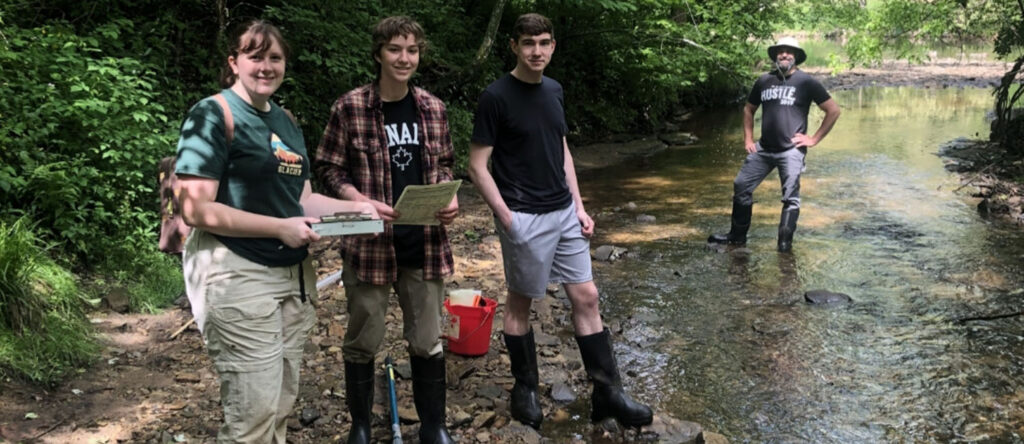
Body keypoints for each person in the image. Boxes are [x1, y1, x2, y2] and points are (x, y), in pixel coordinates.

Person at [175, 20, 379, 443]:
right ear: (234, 62)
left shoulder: (285, 121)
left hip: (292, 278)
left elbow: (301, 201)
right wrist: (279, 229)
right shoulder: (214, 114)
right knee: (253, 413)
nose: (265, 66)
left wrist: (358, 206)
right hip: (236, 274)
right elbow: (194, 209)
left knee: (280, 404)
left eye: (275, 58)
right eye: (255, 56)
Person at [467, 13, 653, 431]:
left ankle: (608, 395)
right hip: (523, 216)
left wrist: (580, 206)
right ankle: (525, 388)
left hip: (564, 212)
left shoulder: (554, 89)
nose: (537, 51)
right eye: (529, 43)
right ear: (514, 45)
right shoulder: (495, 97)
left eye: (545, 43)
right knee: (521, 302)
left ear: (553, 46)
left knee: (586, 297)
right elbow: (478, 166)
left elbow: (562, 149)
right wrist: (507, 218)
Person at [314, 16, 458, 444]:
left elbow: (447, 162)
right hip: (369, 245)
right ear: (378, 53)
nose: (404, 58)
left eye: (412, 50)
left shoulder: (433, 108)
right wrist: (356, 198)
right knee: (362, 341)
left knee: (429, 342)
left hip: (425, 244)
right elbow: (327, 166)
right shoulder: (351, 106)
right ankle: (360, 426)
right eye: (395, 49)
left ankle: (434, 426)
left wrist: (449, 197)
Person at [708, 37, 841, 252]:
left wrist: (814, 139)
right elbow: (748, 109)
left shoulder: (806, 82)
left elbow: (833, 110)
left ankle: (784, 246)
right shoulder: (763, 81)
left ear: (796, 56)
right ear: (775, 56)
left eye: (789, 52)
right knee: (741, 186)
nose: (785, 55)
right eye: (781, 51)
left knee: (790, 199)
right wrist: (748, 139)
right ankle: (737, 237)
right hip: (763, 149)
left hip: (791, 151)